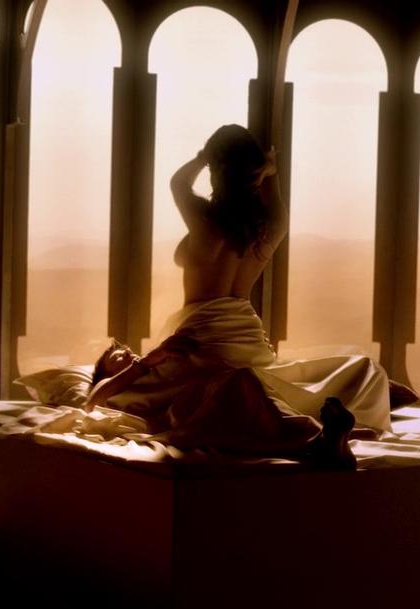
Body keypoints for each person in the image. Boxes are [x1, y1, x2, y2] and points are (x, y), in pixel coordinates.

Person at [81, 124, 389, 468]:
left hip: (201, 340)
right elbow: (267, 190)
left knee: (221, 389)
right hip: (248, 340)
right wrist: (270, 171)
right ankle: (319, 432)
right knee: (344, 371)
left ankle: (309, 436)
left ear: (216, 171)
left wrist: (204, 156)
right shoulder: (270, 229)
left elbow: (178, 183)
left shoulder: (204, 222)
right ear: (254, 173)